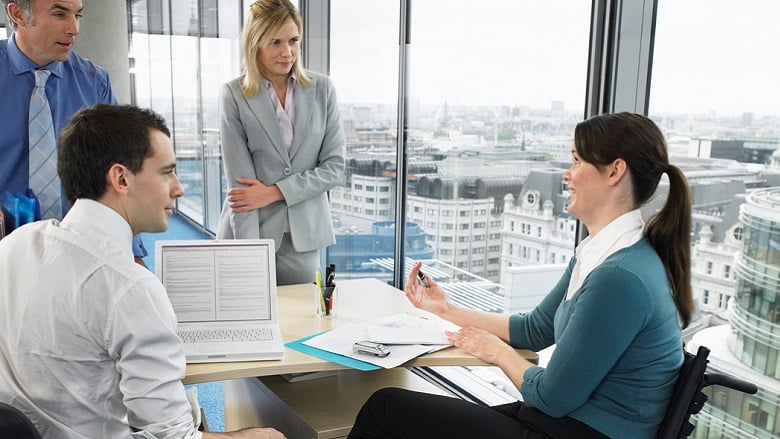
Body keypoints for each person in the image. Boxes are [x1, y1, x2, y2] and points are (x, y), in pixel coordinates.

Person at [348, 112, 695, 439]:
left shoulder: (619, 277)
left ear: (614, 171)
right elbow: (535, 329)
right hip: (562, 422)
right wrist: (445, 310)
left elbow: (552, 397)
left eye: (577, 160)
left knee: (385, 409)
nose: (567, 174)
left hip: (576, 430)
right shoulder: (601, 253)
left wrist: (497, 351)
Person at [0, 104, 285, 439]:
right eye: (167, 172)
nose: (178, 188)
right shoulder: (127, 286)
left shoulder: (15, 244)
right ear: (121, 178)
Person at [0, 0, 148, 265]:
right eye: (59, 14)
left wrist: (132, 251)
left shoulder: (94, 82)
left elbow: (117, 170)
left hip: (79, 250)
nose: (74, 28)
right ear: (18, 13)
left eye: (77, 15)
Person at [217, 0, 346, 285]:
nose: (287, 52)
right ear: (255, 44)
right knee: (248, 320)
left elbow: (334, 169)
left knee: (302, 323)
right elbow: (242, 188)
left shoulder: (322, 89)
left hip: (304, 235)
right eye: (275, 42)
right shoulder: (234, 95)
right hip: (251, 230)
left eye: (293, 40)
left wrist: (277, 191)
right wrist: (249, 253)